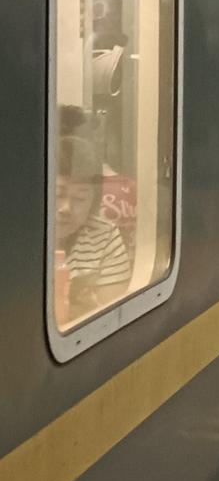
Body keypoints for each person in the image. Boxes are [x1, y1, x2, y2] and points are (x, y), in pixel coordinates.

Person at [54, 123, 132, 328]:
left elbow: (113, 318)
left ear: (94, 202)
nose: (66, 207)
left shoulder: (105, 235)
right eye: (58, 194)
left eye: (80, 198)